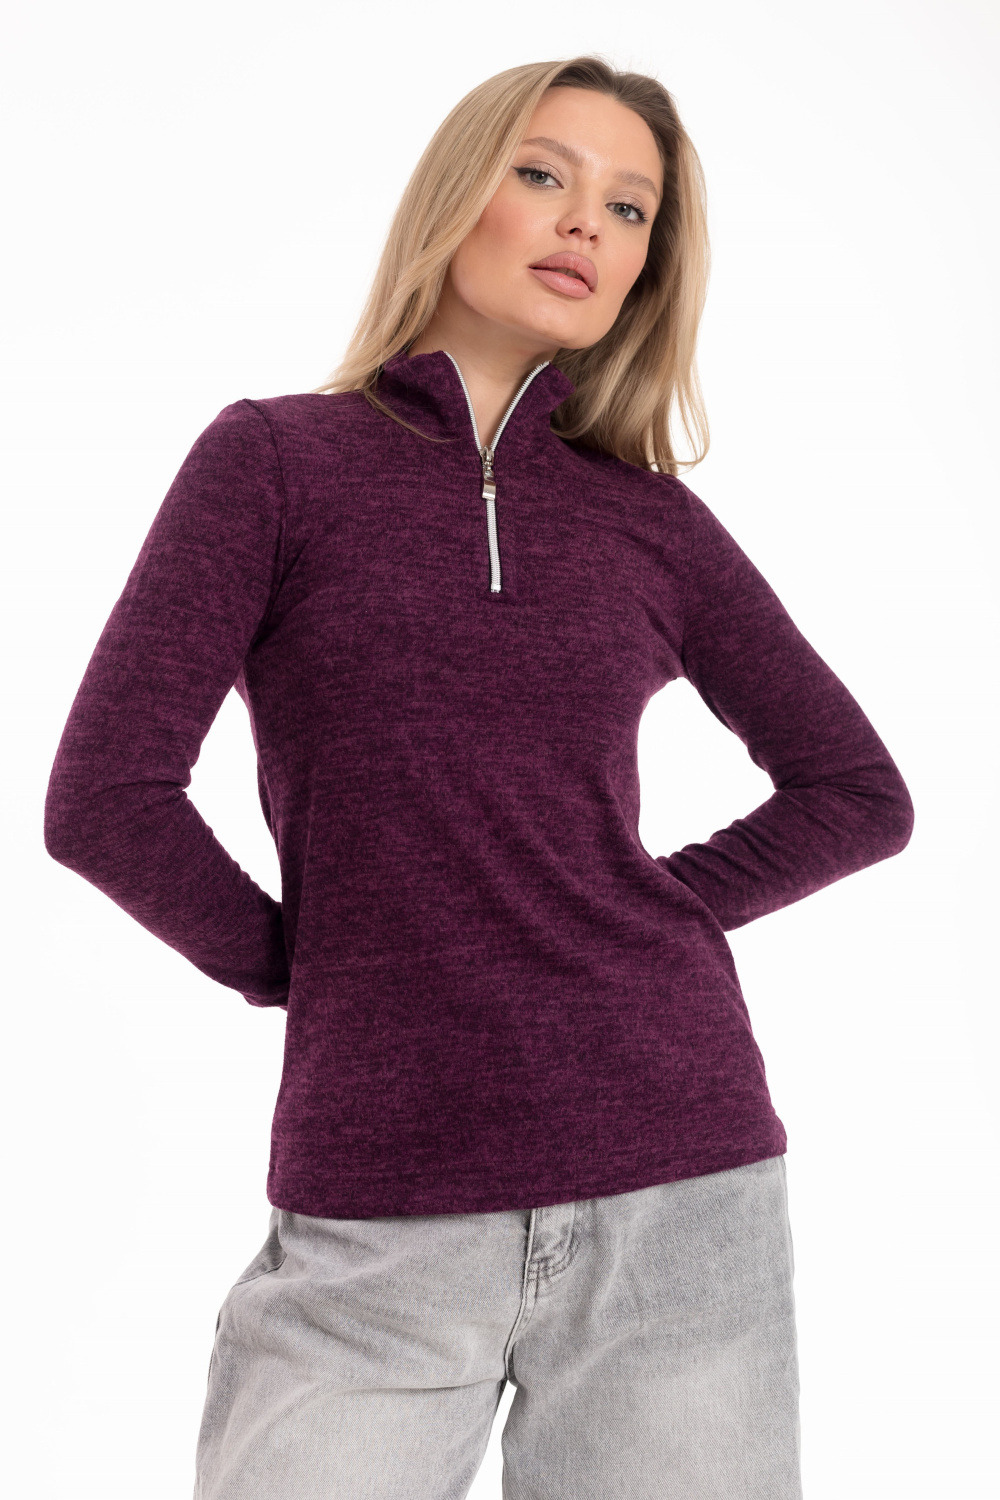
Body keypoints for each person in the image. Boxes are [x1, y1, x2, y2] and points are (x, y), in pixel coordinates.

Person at [43, 55, 914, 1500]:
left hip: (678, 1188)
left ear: (648, 267)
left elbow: (858, 792)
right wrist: (320, 960)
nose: (585, 224)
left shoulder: (651, 522)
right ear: (458, 194)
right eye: (544, 174)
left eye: (629, 208)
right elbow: (105, 798)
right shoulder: (274, 464)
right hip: (378, 1209)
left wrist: (630, 912)